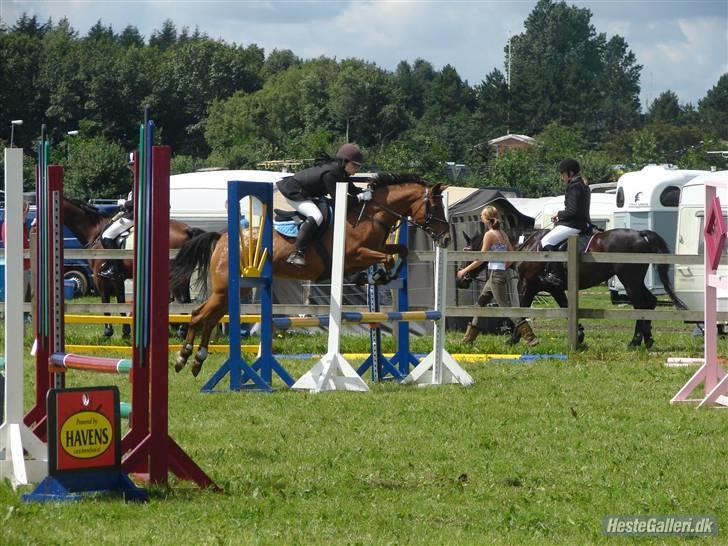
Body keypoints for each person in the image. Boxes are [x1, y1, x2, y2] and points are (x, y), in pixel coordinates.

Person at [456, 206, 539, 346]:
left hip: (495, 276)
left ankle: (530, 337)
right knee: (480, 303)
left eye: (482, 216)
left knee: (505, 307)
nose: (481, 218)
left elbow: (481, 258)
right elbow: (512, 256)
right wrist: (502, 267)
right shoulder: (502, 233)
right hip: (499, 274)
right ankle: (468, 340)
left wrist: (464, 271)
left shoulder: (489, 234)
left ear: (486, 218)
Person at [276, 143, 368, 267]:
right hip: (294, 191)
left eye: (359, 166)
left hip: (306, 192)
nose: (357, 169)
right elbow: (340, 200)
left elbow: (353, 190)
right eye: (355, 165)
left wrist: (367, 192)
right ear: (345, 162)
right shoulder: (331, 173)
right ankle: (297, 253)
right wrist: (359, 198)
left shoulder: (341, 172)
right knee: (316, 216)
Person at [538, 158, 591, 288]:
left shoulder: (574, 186)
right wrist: (561, 219)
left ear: (570, 173)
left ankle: (556, 275)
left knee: (546, 241)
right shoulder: (583, 185)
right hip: (580, 223)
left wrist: (559, 214)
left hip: (575, 225)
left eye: (562, 174)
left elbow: (572, 211)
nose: (561, 177)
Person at [98, 153, 135, 279]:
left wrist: (125, 203)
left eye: (134, 165)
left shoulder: (139, 179)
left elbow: (137, 202)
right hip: (131, 213)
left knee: (106, 235)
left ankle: (116, 268)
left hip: (133, 215)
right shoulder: (137, 178)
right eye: (130, 165)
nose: (132, 168)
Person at [1, 200, 32, 302]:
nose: (27, 214)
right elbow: (22, 245)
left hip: (23, 266)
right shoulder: (13, 226)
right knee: (19, 299)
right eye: (26, 211)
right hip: (20, 267)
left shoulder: (15, 225)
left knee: (24, 297)